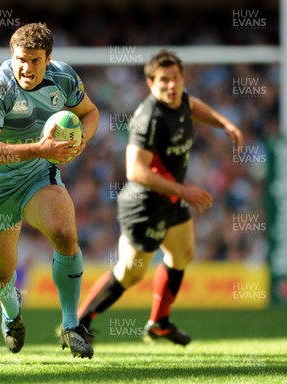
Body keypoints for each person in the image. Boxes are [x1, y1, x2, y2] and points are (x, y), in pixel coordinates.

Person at [77, 49, 243, 345]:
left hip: (171, 199)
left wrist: (224, 124)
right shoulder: (148, 118)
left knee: (182, 254)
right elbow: (135, 171)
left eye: (176, 78)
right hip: (145, 205)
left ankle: (159, 323)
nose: (171, 85)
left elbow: (193, 106)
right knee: (130, 274)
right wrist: (184, 191)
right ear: (150, 84)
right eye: (164, 80)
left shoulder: (180, 99)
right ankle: (79, 322)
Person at [0, 22, 99, 359]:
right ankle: (11, 313)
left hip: (37, 176)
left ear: (49, 58)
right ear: (12, 55)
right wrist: (38, 149)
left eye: (35, 60)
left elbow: (90, 113)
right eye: (20, 59)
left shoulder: (64, 77)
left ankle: (71, 326)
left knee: (65, 233)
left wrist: (81, 140)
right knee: (1, 273)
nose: (27, 68)